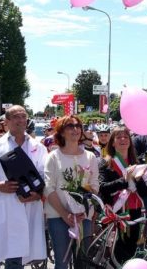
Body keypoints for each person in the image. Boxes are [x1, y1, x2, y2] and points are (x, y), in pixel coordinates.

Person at [0, 105, 47, 268]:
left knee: (15, 261)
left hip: (27, 210)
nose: (21, 120)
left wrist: (38, 194)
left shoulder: (38, 147)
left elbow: (45, 177)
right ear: (6, 121)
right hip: (2, 209)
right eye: (15, 116)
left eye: (23, 116)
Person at [44, 115, 100, 269]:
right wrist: (65, 214)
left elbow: (94, 185)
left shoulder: (90, 157)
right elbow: (49, 188)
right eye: (70, 126)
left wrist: (85, 207)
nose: (75, 129)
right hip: (58, 216)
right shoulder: (53, 157)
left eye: (77, 126)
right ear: (61, 132)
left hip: (84, 217)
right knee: (62, 263)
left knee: (83, 262)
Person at [99, 126, 144, 263]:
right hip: (116, 213)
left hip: (135, 212)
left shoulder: (137, 163)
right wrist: (124, 180)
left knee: (132, 249)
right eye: (118, 137)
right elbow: (102, 188)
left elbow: (144, 191)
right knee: (116, 251)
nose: (123, 139)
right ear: (112, 142)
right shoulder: (106, 162)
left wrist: (143, 179)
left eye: (126, 136)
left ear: (130, 141)